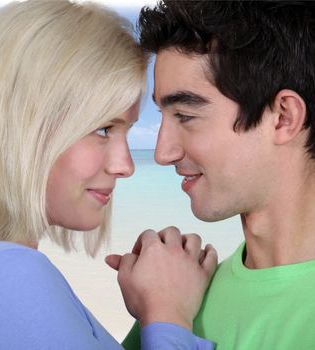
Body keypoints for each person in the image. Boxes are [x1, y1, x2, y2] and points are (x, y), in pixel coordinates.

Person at [0, 0, 218, 349]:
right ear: (21, 129)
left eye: (127, 132)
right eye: (104, 129)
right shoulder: (7, 276)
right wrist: (168, 311)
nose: (126, 166)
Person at [109, 1, 315, 349]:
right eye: (162, 115)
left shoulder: (174, 309)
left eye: (186, 116)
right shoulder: (181, 298)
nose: (163, 153)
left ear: (283, 117)